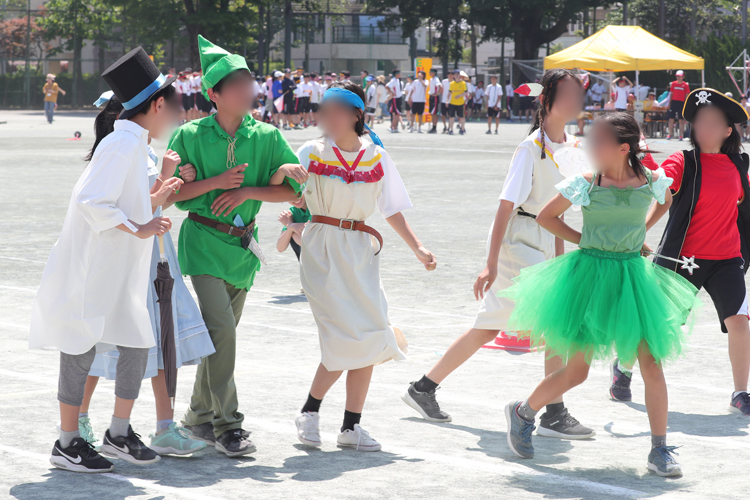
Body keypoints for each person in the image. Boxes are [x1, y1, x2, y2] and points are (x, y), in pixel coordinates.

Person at [402, 69, 593, 442]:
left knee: (488, 326)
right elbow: (505, 208)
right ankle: (553, 411)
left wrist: (559, 259)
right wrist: (490, 263)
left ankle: (423, 387)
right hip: (518, 241)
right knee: (554, 323)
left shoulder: (573, 148)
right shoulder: (529, 148)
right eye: (567, 95)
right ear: (546, 100)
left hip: (543, 238)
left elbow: (561, 212)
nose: (574, 102)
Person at [503, 112, 697, 478]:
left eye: (599, 141)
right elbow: (546, 217)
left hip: (632, 280)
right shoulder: (586, 183)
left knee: (651, 364)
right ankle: (523, 412)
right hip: (589, 278)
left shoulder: (652, 180)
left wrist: (639, 233)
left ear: (624, 148)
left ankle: (659, 449)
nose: (591, 146)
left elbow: (666, 201)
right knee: (576, 371)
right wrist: (586, 241)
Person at [30, 47, 182, 473]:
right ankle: (66, 442)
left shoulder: (133, 143)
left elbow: (124, 201)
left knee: (137, 341)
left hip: (119, 266)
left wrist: (155, 204)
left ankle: (118, 431)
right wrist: (140, 228)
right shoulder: (121, 143)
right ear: (155, 105)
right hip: (94, 265)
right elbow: (91, 201)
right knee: (80, 347)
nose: (174, 114)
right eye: (171, 105)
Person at [167, 36, 307, 458]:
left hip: (243, 249)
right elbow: (170, 195)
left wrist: (255, 188)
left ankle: (197, 417)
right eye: (239, 84)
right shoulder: (189, 134)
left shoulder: (266, 135)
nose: (250, 91)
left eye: (251, 83)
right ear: (214, 94)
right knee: (222, 331)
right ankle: (229, 425)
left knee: (217, 339)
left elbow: (292, 194)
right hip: (202, 245)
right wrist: (203, 183)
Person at [293, 82, 437, 452]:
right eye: (324, 108)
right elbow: (286, 192)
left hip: (361, 250)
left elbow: (391, 208)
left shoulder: (377, 156)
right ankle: (309, 412)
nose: (329, 115)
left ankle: (350, 427)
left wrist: (418, 247)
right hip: (322, 247)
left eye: (338, 108)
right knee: (343, 335)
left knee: (372, 335)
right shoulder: (310, 151)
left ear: (357, 114)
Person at [77, 103, 213, 455]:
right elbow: (139, 207)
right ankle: (81, 419)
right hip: (132, 255)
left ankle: (163, 426)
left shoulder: (138, 150)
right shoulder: (122, 152)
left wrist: (168, 182)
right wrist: (168, 178)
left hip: (155, 253)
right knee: (106, 340)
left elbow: (150, 207)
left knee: (162, 337)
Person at [612, 89, 750, 416]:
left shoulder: (738, 165)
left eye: (713, 122)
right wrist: (639, 229)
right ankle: (624, 366)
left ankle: (740, 392)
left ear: (728, 130)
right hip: (682, 260)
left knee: (740, 323)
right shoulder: (683, 161)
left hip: (727, 259)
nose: (704, 128)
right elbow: (663, 190)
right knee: (656, 328)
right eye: (700, 122)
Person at [276, 195, 310, 261]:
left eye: (298, 192)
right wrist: (291, 226)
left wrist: (291, 226)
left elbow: (312, 244)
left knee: (294, 234)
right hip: (310, 261)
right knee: (290, 232)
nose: (295, 198)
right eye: (289, 195)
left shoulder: (316, 208)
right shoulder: (293, 211)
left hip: (325, 256)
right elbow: (280, 248)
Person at [666, 70, 690, 140]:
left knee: (681, 120)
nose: (678, 77)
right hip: (674, 102)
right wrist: (669, 103)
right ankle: (670, 134)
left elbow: (686, 95)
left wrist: (686, 104)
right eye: (677, 76)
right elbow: (671, 94)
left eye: (680, 76)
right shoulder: (673, 84)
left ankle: (681, 136)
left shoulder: (685, 85)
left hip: (681, 103)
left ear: (683, 77)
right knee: (671, 119)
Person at [448, 69, 467, 135]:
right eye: (455, 74)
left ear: (460, 75)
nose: (457, 75)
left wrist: (460, 95)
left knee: (461, 117)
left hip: (460, 103)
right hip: (452, 102)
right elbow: (450, 92)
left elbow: (466, 92)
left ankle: (462, 129)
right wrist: (447, 101)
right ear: (453, 76)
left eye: (458, 74)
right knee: (451, 117)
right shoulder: (452, 83)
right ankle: (451, 129)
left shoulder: (463, 83)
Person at [428, 68, 442, 134]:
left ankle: (434, 128)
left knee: (434, 113)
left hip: (435, 98)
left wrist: (437, 93)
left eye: (431, 72)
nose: (429, 73)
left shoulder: (436, 79)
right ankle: (433, 127)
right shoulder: (431, 79)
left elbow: (440, 87)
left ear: (434, 73)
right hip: (431, 96)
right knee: (432, 113)